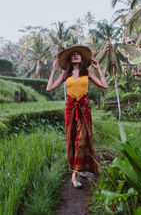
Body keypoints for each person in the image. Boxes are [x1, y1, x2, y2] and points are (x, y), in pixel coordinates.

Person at [46, 45, 108, 188]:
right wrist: (54, 70)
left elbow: (103, 85)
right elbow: (49, 88)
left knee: (82, 138)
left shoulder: (87, 72)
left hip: (84, 107)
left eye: (78, 54)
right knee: (71, 138)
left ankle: (75, 174)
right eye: (73, 54)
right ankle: (77, 170)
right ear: (70, 58)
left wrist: (98, 68)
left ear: (81, 58)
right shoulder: (65, 74)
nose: (75, 56)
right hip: (70, 107)